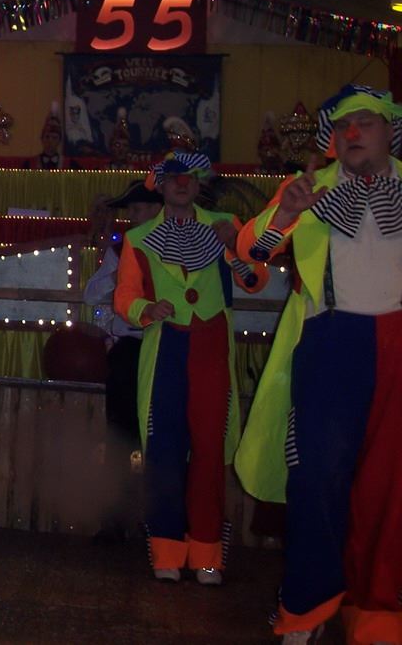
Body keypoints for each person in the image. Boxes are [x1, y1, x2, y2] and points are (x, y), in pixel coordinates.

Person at [234, 84, 402, 645]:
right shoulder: (309, 189)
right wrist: (285, 212)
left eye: (366, 123)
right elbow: (251, 252)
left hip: (398, 344)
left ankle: (375, 613)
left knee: (390, 487)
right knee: (317, 479)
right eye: (344, 126)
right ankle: (305, 609)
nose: (354, 133)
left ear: (389, 132)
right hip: (330, 341)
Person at [114, 150, 268, 585]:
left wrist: (233, 247)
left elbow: (255, 280)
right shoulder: (139, 238)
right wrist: (146, 308)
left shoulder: (225, 225)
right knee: (163, 450)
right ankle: (166, 551)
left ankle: (207, 554)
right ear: (161, 186)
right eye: (174, 178)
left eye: (190, 178)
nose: (182, 184)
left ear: (199, 184)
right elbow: (124, 297)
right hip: (166, 346)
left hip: (211, 345)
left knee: (209, 449)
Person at [82, 178, 162, 540]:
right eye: (131, 210)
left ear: (156, 210)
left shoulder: (172, 245)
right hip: (130, 348)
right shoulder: (123, 248)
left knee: (157, 436)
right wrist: (120, 276)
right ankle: (117, 517)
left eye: (139, 209)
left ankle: (157, 518)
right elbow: (91, 294)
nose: (132, 216)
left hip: (161, 346)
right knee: (120, 436)